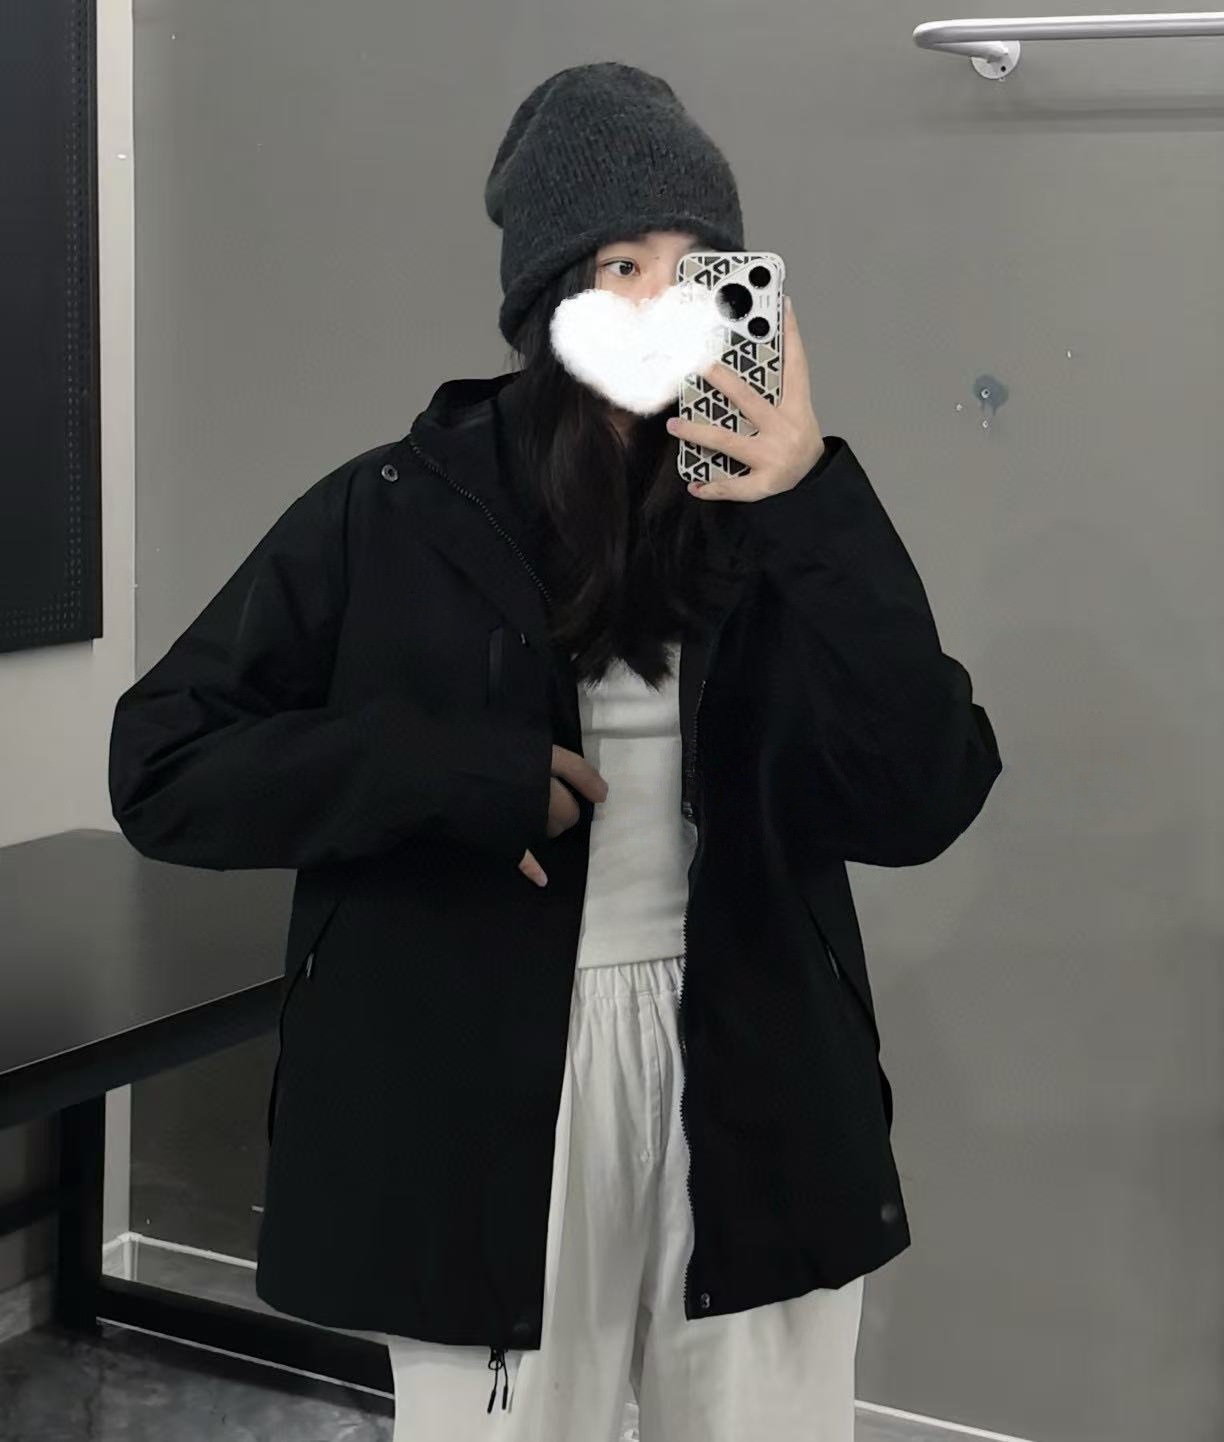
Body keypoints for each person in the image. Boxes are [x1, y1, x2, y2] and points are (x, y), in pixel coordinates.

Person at [108, 60, 1002, 1442]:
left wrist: (815, 497)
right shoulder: (392, 512)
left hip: (754, 1074)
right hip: (478, 1092)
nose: (661, 300)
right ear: (547, 301)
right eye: (621, 264)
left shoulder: (780, 521)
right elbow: (162, 762)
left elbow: (924, 792)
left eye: (697, 268)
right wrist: (452, 777)